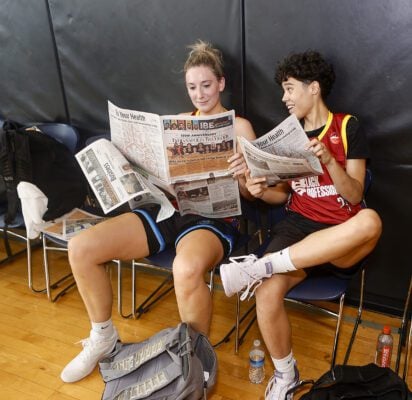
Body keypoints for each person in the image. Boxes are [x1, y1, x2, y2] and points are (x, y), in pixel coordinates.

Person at [60, 40, 255, 383]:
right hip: (168, 209)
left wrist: (241, 175)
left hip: (213, 218)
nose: (199, 94)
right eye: (192, 87)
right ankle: (103, 338)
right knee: (81, 248)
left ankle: (196, 357)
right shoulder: (177, 122)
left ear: (221, 83)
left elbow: (250, 194)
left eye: (206, 85)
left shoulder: (239, 127)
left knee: (186, 267)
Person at [219, 51, 382, 400]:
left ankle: (263, 265)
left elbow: (354, 195)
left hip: (341, 233)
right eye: (283, 90)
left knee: (371, 219)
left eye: (290, 89)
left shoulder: (347, 125)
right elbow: (279, 196)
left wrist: (328, 160)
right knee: (266, 292)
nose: (284, 97)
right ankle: (285, 374)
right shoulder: (286, 135)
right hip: (297, 228)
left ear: (314, 88)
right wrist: (255, 188)